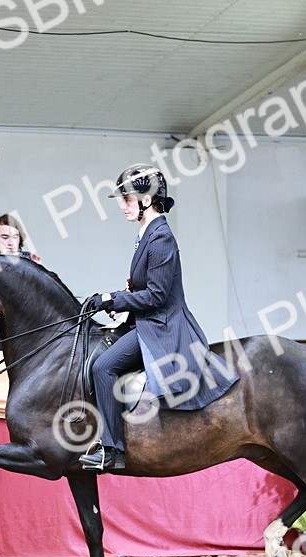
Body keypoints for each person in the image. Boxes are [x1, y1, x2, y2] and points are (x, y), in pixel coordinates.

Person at [78, 164, 238, 472]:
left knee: (103, 366)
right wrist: (122, 299)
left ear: (147, 200)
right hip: (144, 321)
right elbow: (145, 289)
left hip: (163, 326)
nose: (122, 205)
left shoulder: (161, 237)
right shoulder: (145, 235)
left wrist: (112, 298)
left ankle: (112, 449)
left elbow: (157, 296)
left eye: (127, 199)